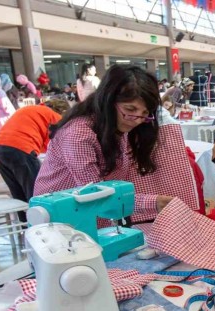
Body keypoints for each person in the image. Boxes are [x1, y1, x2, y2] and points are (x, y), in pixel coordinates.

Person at [34, 65, 174, 218]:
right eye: (130, 109)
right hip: (61, 216)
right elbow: (95, 194)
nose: (136, 120)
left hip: (93, 212)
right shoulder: (78, 133)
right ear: (108, 100)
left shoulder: (118, 126)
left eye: (144, 113)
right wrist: (154, 202)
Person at [0, 100, 70, 208]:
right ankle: (39, 223)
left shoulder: (30, 109)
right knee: (36, 192)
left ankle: (25, 223)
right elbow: (56, 146)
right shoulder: (55, 116)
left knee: (18, 194)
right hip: (21, 148)